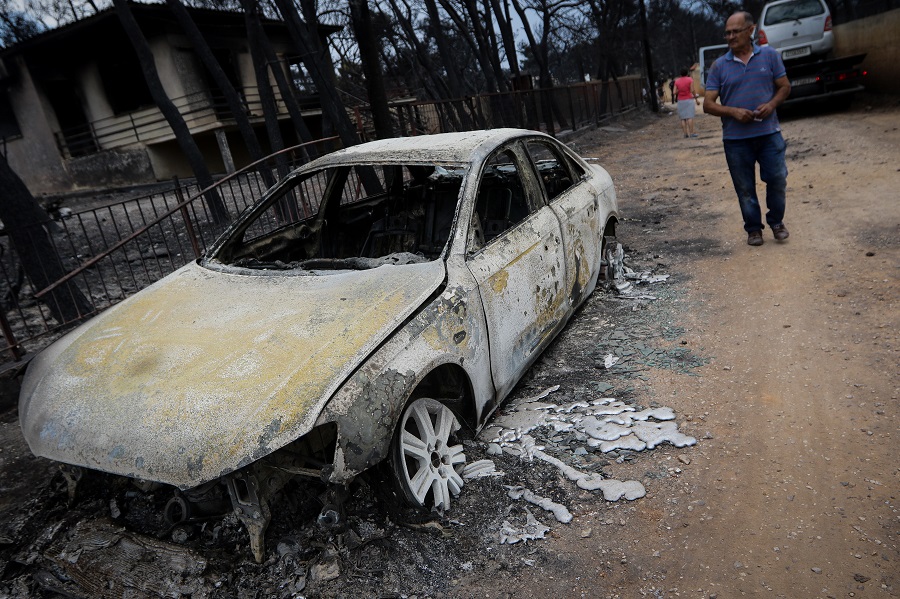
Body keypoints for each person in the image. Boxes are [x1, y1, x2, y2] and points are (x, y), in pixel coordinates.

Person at [703, 11, 792, 247]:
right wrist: (733, 111)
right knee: (744, 188)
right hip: (736, 140)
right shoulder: (719, 66)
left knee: (777, 178)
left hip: (769, 133)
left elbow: (784, 87)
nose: (730, 37)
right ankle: (753, 229)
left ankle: (776, 222)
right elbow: (708, 104)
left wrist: (772, 104)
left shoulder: (770, 56)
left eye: (735, 31)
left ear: (750, 30)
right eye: (727, 33)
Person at [674, 68, 700, 138]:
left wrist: (679, 90)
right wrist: (696, 99)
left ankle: (685, 134)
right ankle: (691, 133)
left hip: (680, 101)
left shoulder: (677, 81)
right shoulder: (690, 79)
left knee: (683, 118)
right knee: (690, 117)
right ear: (687, 73)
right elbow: (692, 90)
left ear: (680, 74)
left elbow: (674, 92)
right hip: (689, 100)